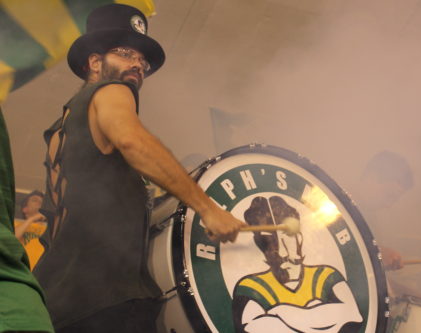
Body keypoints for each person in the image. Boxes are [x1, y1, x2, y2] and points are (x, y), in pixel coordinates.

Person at [33, 4, 244, 332]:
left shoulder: (60, 128)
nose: (138, 65)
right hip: (107, 300)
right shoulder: (112, 90)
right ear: (94, 62)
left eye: (142, 60)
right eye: (124, 53)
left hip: (56, 303)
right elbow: (133, 141)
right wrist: (207, 208)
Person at [232, 196, 362, 332]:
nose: (282, 253)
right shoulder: (251, 287)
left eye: (287, 236)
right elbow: (253, 328)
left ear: (299, 238)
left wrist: (282, 312)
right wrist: (319, 312)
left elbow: (353, 314)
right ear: (259, 245)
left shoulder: (326, 276)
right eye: (269, 240)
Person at [0, 109, 54, 332]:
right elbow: (13, 241)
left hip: (31, 281)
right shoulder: (12, 225)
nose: (38, 204)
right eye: (33, 201)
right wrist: (29, 221)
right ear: (23, 207)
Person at [355, 150, 414, 270]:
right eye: (390, 196)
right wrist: (375, 253)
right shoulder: (331, 205)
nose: (388, 206)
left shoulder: (371, 221)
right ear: (371, 178)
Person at [13, 190, 47, 270]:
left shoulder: (49, 228)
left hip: (42, 273)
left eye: (42, 201)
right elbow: (11, 240)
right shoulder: (16, 223)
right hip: (21, 271)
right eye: (35, 200)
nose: (40, 203)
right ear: (25, 209)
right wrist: (32, 219)